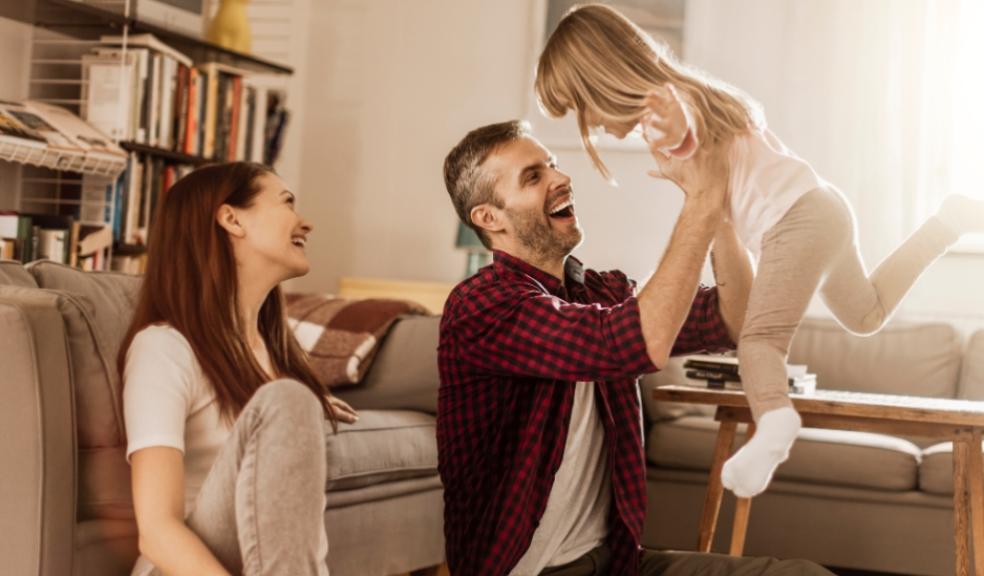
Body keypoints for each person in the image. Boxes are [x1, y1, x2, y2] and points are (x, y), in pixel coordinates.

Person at [534, 3, 984, 498]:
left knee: (760, 341)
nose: (590, 123)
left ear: (604, 79)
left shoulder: (667, 105)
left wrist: (660, 121)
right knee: (866, 313)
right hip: (822, 207)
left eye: (583, 105)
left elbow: (679, 123)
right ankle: (947, 223)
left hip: (795, 219)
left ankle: (774, 423)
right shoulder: (690, 94)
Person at [438, 120, 833, 575]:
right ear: (490, 218)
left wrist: (718, 206)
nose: (560, 178)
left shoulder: (600, 291)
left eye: (552, 165)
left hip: (620, 565)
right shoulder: (480, 307)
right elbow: (629, 342)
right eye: (533, 176)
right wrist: (700, 205)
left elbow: (734, 316)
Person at [118, 162, 359, 576]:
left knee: (289, 399)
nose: (306, 222)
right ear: (231, 219)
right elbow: (157, 531)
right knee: (287, 399)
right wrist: (288, 407)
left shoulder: (278, 359)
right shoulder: (164, 348)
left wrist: (295, 417)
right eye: (287, 203)